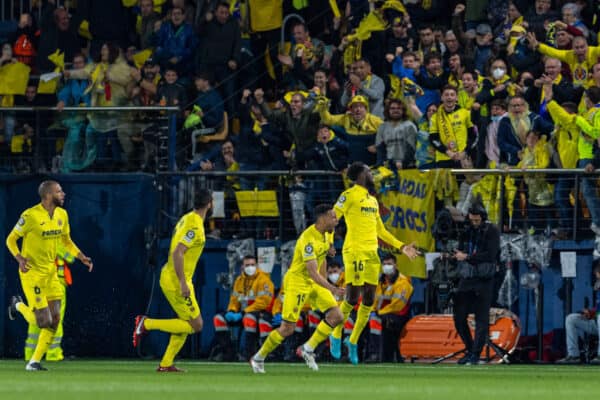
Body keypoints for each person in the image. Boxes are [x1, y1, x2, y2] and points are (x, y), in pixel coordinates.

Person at [330, 162, 420, 365]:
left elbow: (382, 231)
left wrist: (402, 247)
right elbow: (334, 217)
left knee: (369, 301)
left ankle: (352, 341)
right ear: (360, 175)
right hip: (354, 251)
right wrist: (327, 242)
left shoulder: (372, 200)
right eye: (369, 171)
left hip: (372, 253)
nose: (372, 174)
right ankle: (335, 333)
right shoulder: (349, 194)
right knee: (352, 298)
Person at [5, 180, 93, 371]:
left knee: (54, 319)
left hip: (51, 273)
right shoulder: (30, 216)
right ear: (47, 196)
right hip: (32, 273)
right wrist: (19, 258)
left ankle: (34, 362)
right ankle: (17, 305)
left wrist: (81, 257)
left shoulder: (62, 214)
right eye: (59, 191)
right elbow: (11, 239)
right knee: (42, 321)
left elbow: (67, 241)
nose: (63, 194)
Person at [250, 204, 345, 373]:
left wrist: (329, 249)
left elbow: (322, 258)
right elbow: (313, 272)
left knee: (337, 315)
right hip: (298, 282)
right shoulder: (307, 240)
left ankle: (308, 349)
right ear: (322, 218)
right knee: (288, 328)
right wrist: (333, 289)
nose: (336, 220)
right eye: (333, 217)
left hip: (315, 283)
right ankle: (258, 358)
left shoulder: (328, 233)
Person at [132, 189, 212, 372]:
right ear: (210, 204)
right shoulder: (195, 226)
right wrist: (183, 282)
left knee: (186, 321)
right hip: (177, 281)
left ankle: (166, 363)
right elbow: (178, 252)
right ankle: (146, 323)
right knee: (196, 324)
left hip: (172, 276)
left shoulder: (187, 217)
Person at [452, 201, 500, 365]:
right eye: (472, 220)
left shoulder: (492, 230)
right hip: (467, 277)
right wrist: (457, 255)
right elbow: (460, 250)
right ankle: (470, 349)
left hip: (484, 279)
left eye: (477, 220)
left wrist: (468, 257)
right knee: (458, 317)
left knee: (481, 318)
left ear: (483, 218)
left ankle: (475, 354)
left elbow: (490, 254)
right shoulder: (466, 231)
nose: (474, 223)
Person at [212, 255, 274, 361]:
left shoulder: (264, 280)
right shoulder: (239, 280)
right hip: (242, 313)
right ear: (242, 267)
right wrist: (231, 310)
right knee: (219, 319)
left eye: (252, 265)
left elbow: (263, 303)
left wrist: (244, 312)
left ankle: (249, 354)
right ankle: (229, 353)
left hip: (259, 313)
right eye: (247, 265)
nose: (250, 267)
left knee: (249, 319)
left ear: (257, 265)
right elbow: (234, 300)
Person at [365, 253, 413, 363]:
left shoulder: (403, 282)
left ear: (395, 265)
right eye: (385, 264)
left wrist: (379, 312)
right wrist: (372, 311)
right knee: (365, 319)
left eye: (389, 264)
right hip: (382, 313)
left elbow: (398, 305)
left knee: (375, 320)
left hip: (399, 315)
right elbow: (374, 300)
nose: (387, 266)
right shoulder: (380, 281)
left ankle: (375, 354)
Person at [556, 263, 600, 364]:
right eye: (597, 277)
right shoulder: (598, 288)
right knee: (571, 319)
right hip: (596, 324)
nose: (597, 279)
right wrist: (590, 312)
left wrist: (594, 312)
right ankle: (573, 355)